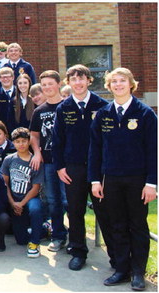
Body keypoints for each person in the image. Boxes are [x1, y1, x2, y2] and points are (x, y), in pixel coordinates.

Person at [89, 68, 157, 290]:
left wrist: (151, 183)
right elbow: (95, 150)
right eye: (114, 81)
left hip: (138, 180)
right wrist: (95, 180)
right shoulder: (103, 114)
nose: (118, 85)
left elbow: (153, 151)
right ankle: (122, 269)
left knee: (137, 225)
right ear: (109, 86)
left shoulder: (145, 114)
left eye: (122, 81)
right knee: (116, 225)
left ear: (131, 84)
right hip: (111, 179)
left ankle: (138, 272)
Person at [51, 64, 112, 271]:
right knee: (75, 211)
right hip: (73, 168)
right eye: (73, 79)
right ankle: (78, 251)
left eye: (81, 78)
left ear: (89, 81)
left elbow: (108, 140)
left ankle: (115, 255)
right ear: (68, 83)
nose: (78, 83)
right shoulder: (63, 107)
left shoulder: (102, 105)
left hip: (99, 170)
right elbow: (57, 141)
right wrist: (60, 167)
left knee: (105, 211)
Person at [29, 70, 68, 253]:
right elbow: (34, 135)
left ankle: (76, 236)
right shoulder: (39, 111)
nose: (47, 88)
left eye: (50, 84)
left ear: (58, 84)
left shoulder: (69, 106)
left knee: (69, 200)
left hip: (69, 163)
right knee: (53, 200)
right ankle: (58, 235)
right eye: (43, 85)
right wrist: (37, 152)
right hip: (49, 162)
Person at [1, 127, 45, 257]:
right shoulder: (9, 160)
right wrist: (13, 203)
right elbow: (5, 183)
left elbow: (36, 187)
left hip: (30, 199)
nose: (21, 144)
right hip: (14, 199)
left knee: (36, 209)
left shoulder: (35, 161)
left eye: (24, 141)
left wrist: (21, 204)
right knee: (20, 240)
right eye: (18, 141)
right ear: (13, 143)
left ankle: (35, 242)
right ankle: (42, 229)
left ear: (29, 142)